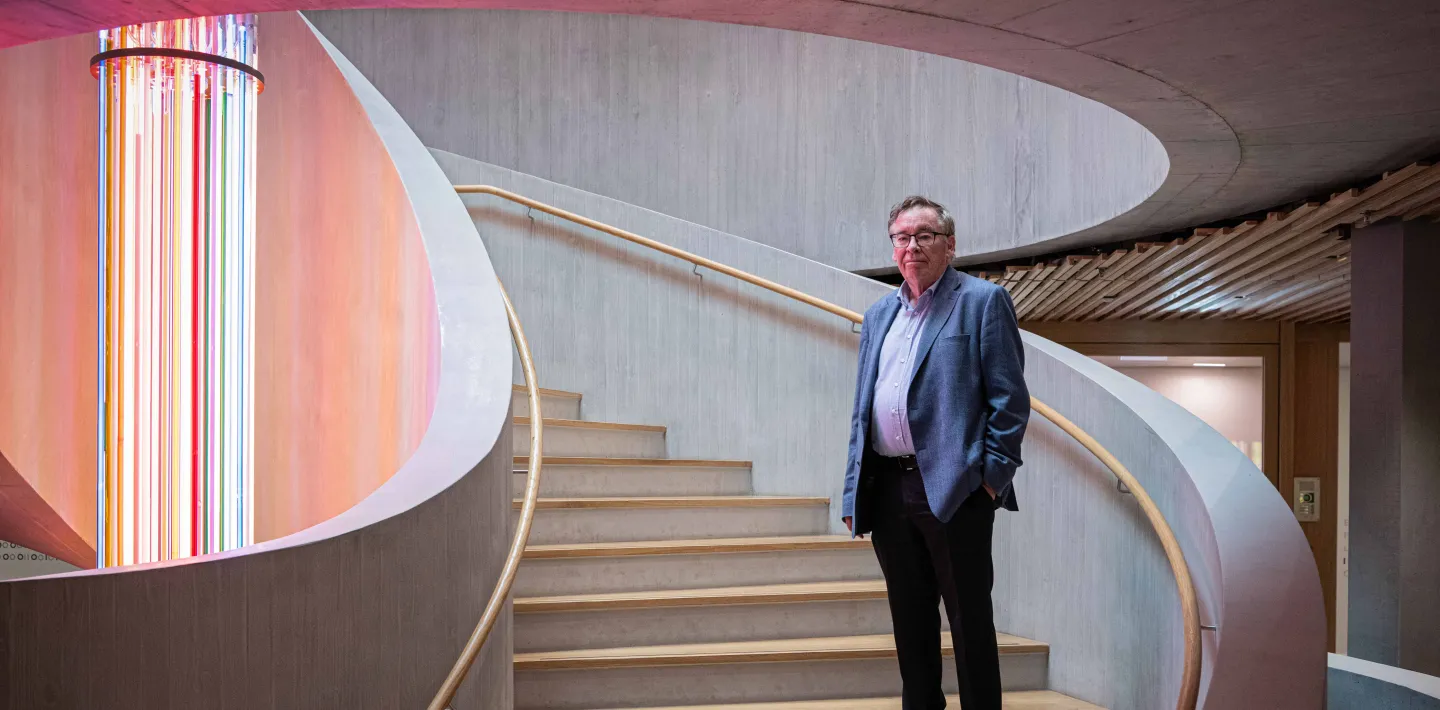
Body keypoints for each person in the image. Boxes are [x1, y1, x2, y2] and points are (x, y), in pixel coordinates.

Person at [841, 195, 1030, 710]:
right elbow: (864, 409)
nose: (912, 247)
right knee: (910, 619)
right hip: (888, 488)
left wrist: (989, 482)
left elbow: (1009, 403)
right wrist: (855, 489)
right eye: (902, 237)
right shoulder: (880, 313)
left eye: (925, 236)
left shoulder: (983, 301)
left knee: (970, 621)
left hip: (955, 489)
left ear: (949, 244)